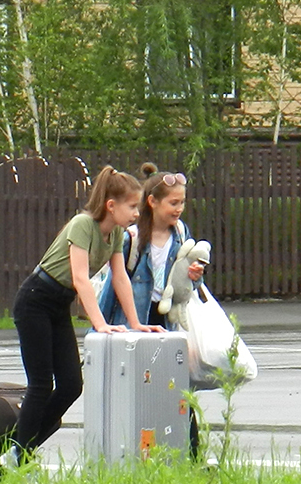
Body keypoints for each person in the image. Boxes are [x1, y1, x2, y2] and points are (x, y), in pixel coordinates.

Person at [11, 165, 148, 461]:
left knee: (72, 386)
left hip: (59, 305)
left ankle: (19, 446)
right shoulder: (82, 225)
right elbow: (80, 278)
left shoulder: (117, 236)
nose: (137, 213)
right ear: (111, 206)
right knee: (41, 384)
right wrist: (100, 324)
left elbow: (120, 276)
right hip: (35, 300)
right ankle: (17, 454)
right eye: (133, 206)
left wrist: (135, 322)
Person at [101, 163, 207, 329]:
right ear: (152, 201)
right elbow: (112, 288)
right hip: (134, 321)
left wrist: (195, 275)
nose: (179, 209)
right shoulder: (132, 239)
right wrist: (99, 327)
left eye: (182, 203)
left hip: (167, 320)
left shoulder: (180, 233)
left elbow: (184, 284)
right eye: (173, 203)